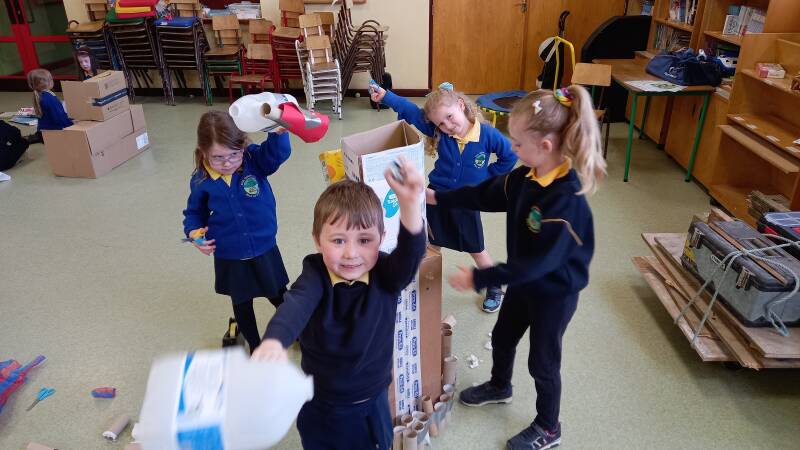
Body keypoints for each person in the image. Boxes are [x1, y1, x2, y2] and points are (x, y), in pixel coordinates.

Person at [429, 86, 606, 450]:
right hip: (525, 282)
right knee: (504, 337)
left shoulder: (564, 202)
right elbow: (484, 193)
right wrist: (437, 197)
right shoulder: (526, 175)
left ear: (546, 146)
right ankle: (500, 386)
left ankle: (549, 427)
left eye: (518, 143)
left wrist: (480, 276)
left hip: (553, 293)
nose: (511, 149)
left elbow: (537, 265)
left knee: (542, 362)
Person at [252, 158, 427, 450]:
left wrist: (410, 206)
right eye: (338, 241)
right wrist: (274, 340)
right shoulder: (315, 274)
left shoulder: (387, 273)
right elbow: (295, 304)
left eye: (364, 240)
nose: (351, 254)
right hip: (321, 401)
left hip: (371, 401)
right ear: (317, 241)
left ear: (382, 239)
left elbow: (411, 255)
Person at [370, 81, 517, 313]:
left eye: (450, 117)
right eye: (441, 123)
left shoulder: (487, 134)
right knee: (431, 244)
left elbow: (508, 156)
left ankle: (494, 285)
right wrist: (386, 96)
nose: (448, 126)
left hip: (466, 202)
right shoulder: (440, 132)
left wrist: (487, 178)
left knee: (476, 249)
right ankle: (421, 283)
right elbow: (412, 112)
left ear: (461, 105)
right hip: (435, 197)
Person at [182, 110, 291, 353]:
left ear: (243, 146)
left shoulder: (253, 160)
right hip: (229, 254)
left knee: (279, 295)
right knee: (242, 304)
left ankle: (296, 331)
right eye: (218, 158)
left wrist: (278, 133)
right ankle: (255, 346)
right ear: (203, 152)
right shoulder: (200, 180)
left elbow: (277, 153)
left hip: (264, 247)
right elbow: (194, 213)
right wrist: (194, 234)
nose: (228, 163)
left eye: (234, 154)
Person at [26, 68, 73, 144]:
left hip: (43, 130)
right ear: (49, 82)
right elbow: (59, 118)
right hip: (53, 132)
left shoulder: (40, 95)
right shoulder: (49, 98)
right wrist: (71, 125)